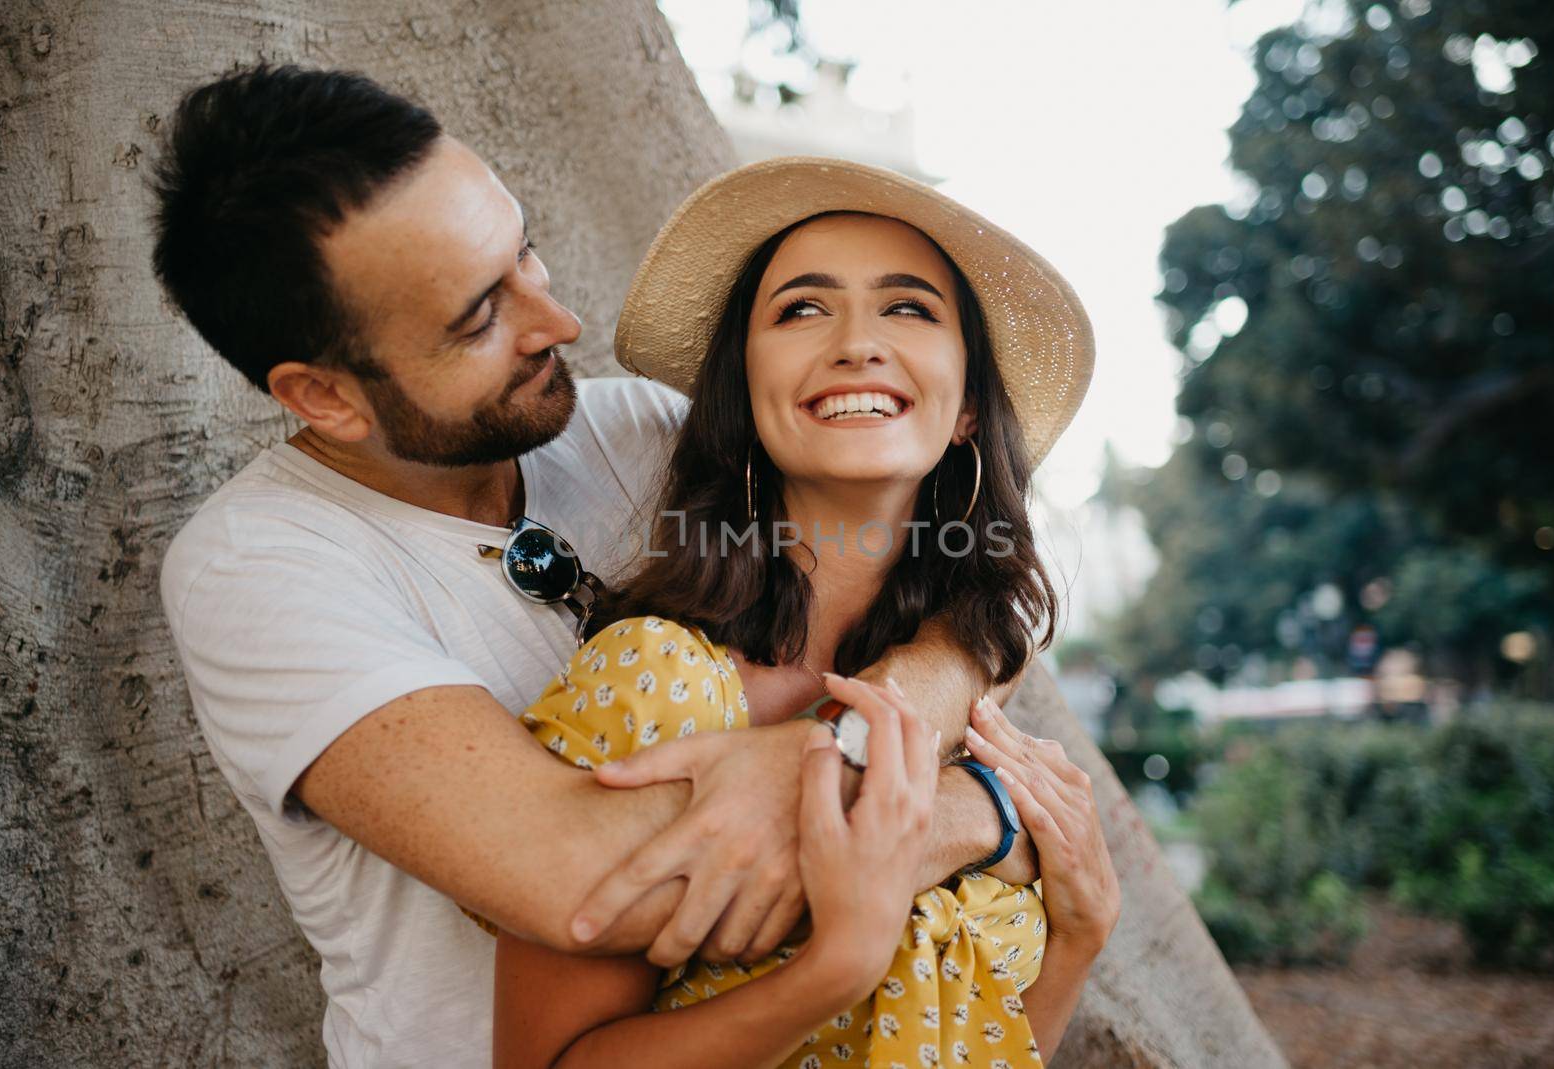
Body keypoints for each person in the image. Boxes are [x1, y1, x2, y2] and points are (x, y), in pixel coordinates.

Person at [151, 65, 1066, 1066]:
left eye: (524, 254)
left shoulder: (636, 436)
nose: (557, 324)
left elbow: (960, 583)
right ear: (324, 397)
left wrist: (862, 741)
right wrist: (985, 812)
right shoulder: (262, 571)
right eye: (478, 318)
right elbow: (584, 879)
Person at [484, 163, 1120, 1068]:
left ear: (970, 406)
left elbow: (993, 1044)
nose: (859, 343)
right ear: (744, 395)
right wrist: (830, 969)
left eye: (909, 309)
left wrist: (1081, 935)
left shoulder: (971, 699)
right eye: (802, 310)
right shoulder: (654, 681)